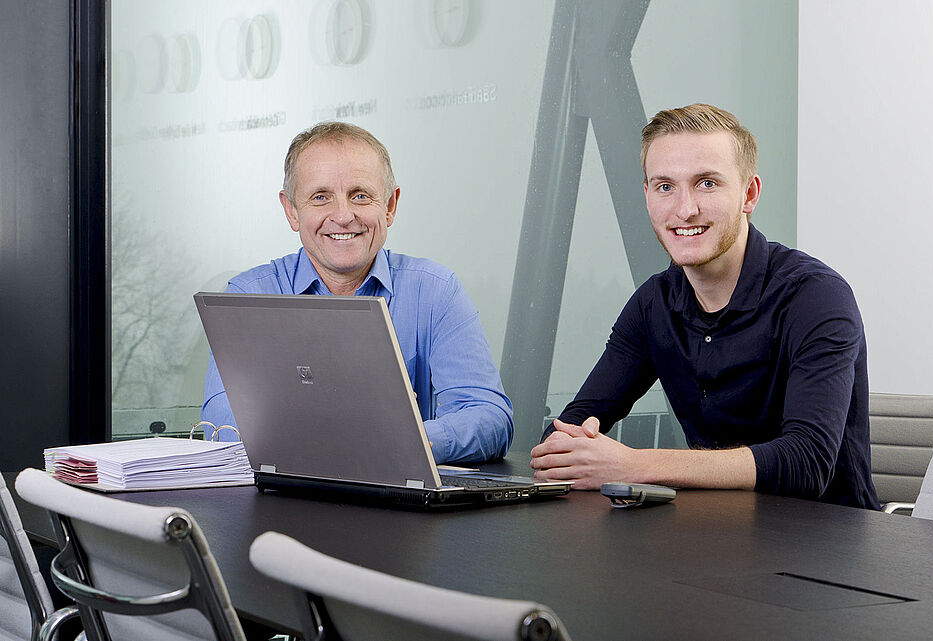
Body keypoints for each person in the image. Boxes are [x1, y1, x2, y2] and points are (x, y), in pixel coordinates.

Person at [529, 104, 878, 509]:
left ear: (749, 194)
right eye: (665, 187)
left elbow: (806, 463)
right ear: (647, 196)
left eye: (707, 184)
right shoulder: (653, 304)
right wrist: (567, 450)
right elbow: (567, 429)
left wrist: (631, 465)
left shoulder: (816, 295)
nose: (684, 209)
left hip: (825, 547)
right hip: (709, 539)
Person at [201, 121, 512, 464]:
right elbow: (223, 424)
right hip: (280, 508)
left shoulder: (435, 292)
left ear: (390, 205)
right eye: (320, 197)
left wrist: (408, 439)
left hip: (399, 509)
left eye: (360, 195)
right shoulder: (249, 297)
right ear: (292, 210)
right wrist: (364, 435)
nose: (343, 216)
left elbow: (488, 418)